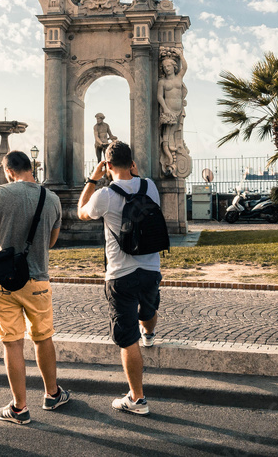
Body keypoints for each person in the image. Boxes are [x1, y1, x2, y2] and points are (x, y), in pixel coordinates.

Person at [0, 150, 68, 425]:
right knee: (43, 338)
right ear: (31, 167)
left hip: (4, 282)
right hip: (38, 279)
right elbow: (51, 242)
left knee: (12, 342)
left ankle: (19, 408)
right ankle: (52, 394)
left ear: (8, 171)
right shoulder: (52, 198)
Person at [77, 141, 160, 415]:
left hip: (120, 274)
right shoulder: (150, 186)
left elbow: (81, 212)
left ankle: (137, 399)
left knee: (126, 338)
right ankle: (149, 334)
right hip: (151, 268)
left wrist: (92, 179)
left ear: (108, 165)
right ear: (133, 163)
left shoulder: (104, 195)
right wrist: (134, 175)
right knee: (149, 307)